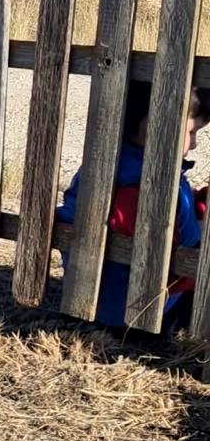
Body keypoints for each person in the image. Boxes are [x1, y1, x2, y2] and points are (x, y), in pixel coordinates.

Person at [56, 83, 209, 334]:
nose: (194, 145)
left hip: (86, 300)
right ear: (157, 127)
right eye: (192, 132)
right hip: (144, 315)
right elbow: (190, 248)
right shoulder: (166, 188)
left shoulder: (97, 171)